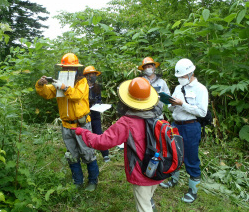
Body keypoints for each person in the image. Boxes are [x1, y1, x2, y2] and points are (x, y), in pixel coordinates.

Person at [74, 77, 163, 212]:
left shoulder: (127, 122)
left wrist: (83, 132)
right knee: (148, 197)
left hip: (142, 172)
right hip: (158, 167)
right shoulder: (157, 116)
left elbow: (102, 142)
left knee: (143, 207)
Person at [35, 53, 99, 191]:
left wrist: (64, 87)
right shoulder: (60, 81)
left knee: (87, 153)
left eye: (71, 68)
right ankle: (78, 182)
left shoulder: (82, 82)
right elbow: (47, 93)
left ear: (76, 69)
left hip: (82, 124)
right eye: (66, 68)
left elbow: (77, 96)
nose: (68, 70)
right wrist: (41, 85)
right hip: (66, 125)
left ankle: (93, 181)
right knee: (72, 155)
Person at [160, 58, 208, 203]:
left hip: (191, 126)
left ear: (191, 73)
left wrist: (183, 104)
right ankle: (173, 180)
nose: (180, 79)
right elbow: (171, 107)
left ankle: (193, 190)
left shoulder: (200, 89)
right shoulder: (178, 88)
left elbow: (202, 112)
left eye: (182, 76)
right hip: (176, 125)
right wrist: (172, 103)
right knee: (174, 153)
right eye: (179, 77)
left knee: (191, 158)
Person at [83, 66, 110, 162]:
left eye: (94, 74)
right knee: (86, 135)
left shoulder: (96, 87)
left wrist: (98, 103)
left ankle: (105, 154)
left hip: (95, 115)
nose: (93, 76)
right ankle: (88, 155)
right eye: (91, 74)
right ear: (86, 76)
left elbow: (99, 99)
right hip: (85, 115)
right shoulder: (82, 87)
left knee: (98, 134)